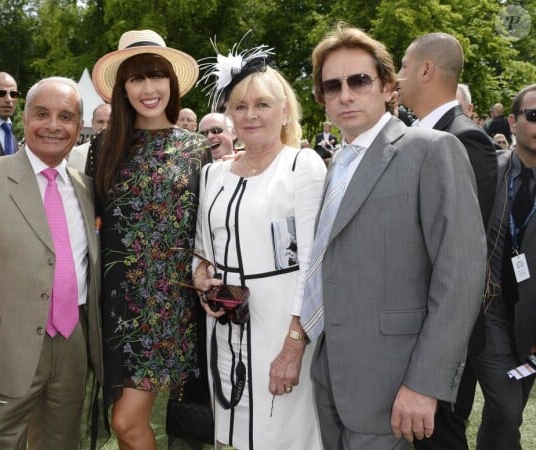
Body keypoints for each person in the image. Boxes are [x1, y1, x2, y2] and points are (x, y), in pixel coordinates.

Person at [300, 23, 487, 450]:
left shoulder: (432, 150)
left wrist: (425, 384)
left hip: (395, 382)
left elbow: (460, 275)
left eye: (359, 80)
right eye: (332, 86)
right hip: (332, 378)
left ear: (387, 87)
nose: (345, 94)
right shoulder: (334, 166)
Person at [0, 76, 103, 450]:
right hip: (1, 348)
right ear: (25, 117)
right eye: (42, 114)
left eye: (65, 116)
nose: (54, 126)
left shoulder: (87, 188)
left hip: (72, 347)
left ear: (78, 125)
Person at [194, 39, 326, 449]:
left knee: (283, 434)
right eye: (240, 105)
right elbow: (201, 250)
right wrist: (202, 283)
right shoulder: (212, 175)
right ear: (229, 113)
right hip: (224, 328)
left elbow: (314, 264)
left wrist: (293, 346)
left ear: (284, 110)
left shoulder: (302, 166)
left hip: (281, 330)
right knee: (229, 435)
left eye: (263, 104)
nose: (251, 115)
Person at [91, 29, 211, 450]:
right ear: (123, 88)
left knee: (126, 421)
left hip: (168, 307)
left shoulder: (199, 150)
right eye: (137, 78)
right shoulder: (103, 148)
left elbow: (210, 230)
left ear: (171, 84)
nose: (149, 88)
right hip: (116, 304)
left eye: (157, 76)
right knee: (123, 419)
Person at [397, 31, 498, 450]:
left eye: (403, 66)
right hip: (404, 322)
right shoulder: (412, 134)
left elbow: (460, 254)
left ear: (425, 70)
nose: (398, 77)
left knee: (440, 437)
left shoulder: (465, 138)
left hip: (440, 330)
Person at [473, 84, 536, 450]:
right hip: (488, 312)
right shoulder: (488, 174)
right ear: (512, 121)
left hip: (530, 322)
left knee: (504, 414)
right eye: (533, 115)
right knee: (509, 408)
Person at [68, 103, 111, 172]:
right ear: (93, 123)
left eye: (110, 122)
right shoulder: (78, 153)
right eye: (100, 122)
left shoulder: (128, 153)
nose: (105, 127)